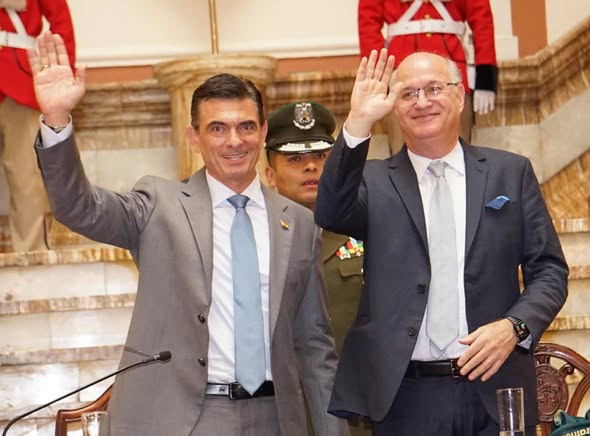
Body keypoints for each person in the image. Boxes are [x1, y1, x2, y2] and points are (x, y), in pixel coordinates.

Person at [28, 32, 349, 436]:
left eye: (246, 126)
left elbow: (315, 348)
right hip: (188, 419)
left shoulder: (299, 223)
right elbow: (80, 208)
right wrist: (57, 119)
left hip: (276, 417)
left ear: (263, 132)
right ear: (193, 137)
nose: (234, 141)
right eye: (217, 128)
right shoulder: (158, 204)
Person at [314, 48, 568, 436]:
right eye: (408, 93)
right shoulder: (373, 181)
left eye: (434, 88)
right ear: (394, 108)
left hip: (496, 386)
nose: (422, 102)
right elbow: (330, 211)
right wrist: (358, 122)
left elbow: (549, 271)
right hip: (405, 398)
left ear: (460, 95)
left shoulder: (510, 173)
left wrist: (514, 327)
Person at [264, 102, 372, 436]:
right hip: (286, 410)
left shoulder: (367, 227)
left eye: (321, 156)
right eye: (295, 159)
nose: (311, 166)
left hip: (362, 408)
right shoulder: (259, 241)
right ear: (270, 175)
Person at [357, 0, 497, 153]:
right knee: (401, 150)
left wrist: (485, 73)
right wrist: (378, 77)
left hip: (451, 66)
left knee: (458, 147)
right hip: (401, 71)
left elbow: (481, 17)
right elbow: (368, 22)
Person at [0, 0, 75, 251]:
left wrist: (62, 75)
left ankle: (29, 257)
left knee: (26, 177)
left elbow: (60, 19)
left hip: (18, 78)